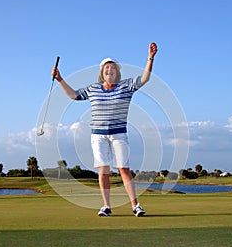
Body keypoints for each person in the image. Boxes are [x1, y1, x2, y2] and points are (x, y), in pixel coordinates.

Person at [52, 42, 158, 217]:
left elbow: (145, 78)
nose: (110, 71)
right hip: (98, 136)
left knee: (123, 169)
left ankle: (135, 206)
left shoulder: (126, 86)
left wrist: (150, 58)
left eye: (113, 69)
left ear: (117, 73)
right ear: (102, 72)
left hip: (119, 134)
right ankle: (106, 206)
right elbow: (73, 95)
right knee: (103, 171)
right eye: (106, 68)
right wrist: (59, 79)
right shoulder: (93, 89)